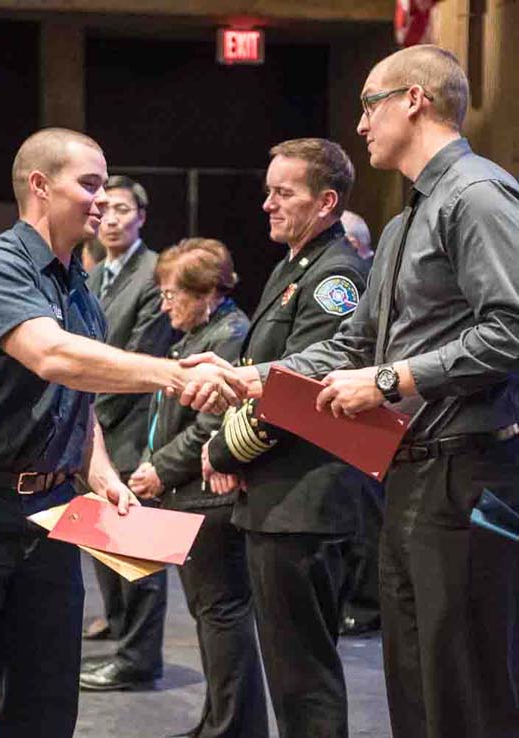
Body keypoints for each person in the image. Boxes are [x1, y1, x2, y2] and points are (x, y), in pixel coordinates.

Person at [194, 46, 519, 738]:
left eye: (370, 103)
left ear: (415, 100)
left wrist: (391, 379)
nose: (361, 122)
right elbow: (349, 347)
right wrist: (253, 377)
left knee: (466, 689)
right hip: (410, 478)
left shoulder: (477, 195)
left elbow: (512, 327)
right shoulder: (404, 222)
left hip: (469, 474)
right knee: (414, 686)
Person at [0, 127, 244, 738]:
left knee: (46, 703)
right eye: (90, 185)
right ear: (41, 186)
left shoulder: (79, 287)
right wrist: (174, 375)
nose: (101, 201)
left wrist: (101, 475)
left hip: (51, 512)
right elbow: (52, 357)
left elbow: (75, 397)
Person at [201, 138, 371, 738]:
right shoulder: (295, 265)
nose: (268, 204)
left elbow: (303, 389)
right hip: (278, 495)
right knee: (291, 672)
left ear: (326, 201)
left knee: (305, 678)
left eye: (284, 192)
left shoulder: (337, 276)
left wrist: (223, 448)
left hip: (304, 499)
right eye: (268, 191)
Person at [129, 238, 269, 738]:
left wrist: (158, 469)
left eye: (173, 295)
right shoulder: (200, 333)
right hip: (192, 494)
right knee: (211, 615)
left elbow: (208, 426)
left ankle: (233, 727)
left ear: (207, 291)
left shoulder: (229, 335)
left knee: (222, 613)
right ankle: (218, 720)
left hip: (212, 498)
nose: (167, 305)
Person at [80, 175, 174, 691]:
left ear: (140, 216)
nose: (110, 218)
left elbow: (141, 357)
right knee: (102, 538)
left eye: (121, 209)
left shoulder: (153, 271)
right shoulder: (96, 276)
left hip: (133, 425)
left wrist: (84, 405)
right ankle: (118, 626)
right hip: (96, 421)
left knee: (137, 549)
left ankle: (139, 658)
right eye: (105, 209)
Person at [338, 209, 383, 637]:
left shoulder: (359, 278)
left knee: (369, 516)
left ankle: (366, 605)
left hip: (373, 411)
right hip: (355, 408)